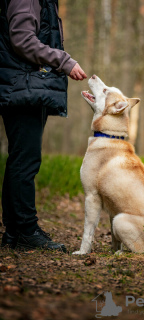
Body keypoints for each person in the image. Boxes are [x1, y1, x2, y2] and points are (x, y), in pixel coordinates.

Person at [0, 0, 87, 252]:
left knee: (20, 159)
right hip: (23, 87)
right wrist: (64, 60)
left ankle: (15, 232)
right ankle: (26, 230)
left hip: (24, 85)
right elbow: (22, 40)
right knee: (25, 161)